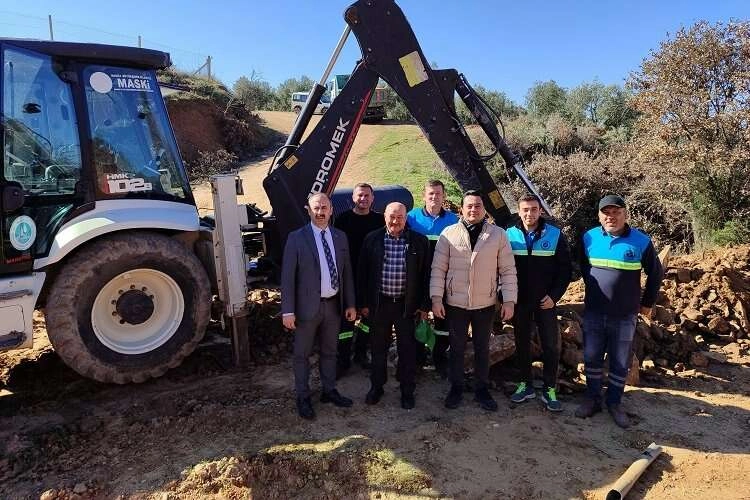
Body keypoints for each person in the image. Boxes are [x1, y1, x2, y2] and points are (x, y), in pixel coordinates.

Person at [575, 194, 663, 428]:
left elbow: (655, 273)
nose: (611, 217)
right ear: (599, 216)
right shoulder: (589, 237)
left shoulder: (641, 241)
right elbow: (584, 266)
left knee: (620, 361)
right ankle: (592, 399)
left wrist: (647, 303)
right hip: (594, 311)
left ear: (625, 214)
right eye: (606, 213)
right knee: (592, 357)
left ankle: (614, 402)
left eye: (616, 212)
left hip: (625, 314)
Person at [430, 190, 518, 411]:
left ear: (484, 209)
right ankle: (456, 387)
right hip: (455, 303)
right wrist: (436, 298)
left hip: (485, 303)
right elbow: (438, 269)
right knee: (456, 348)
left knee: (482, 348)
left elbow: (507, 270)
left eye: (478, 205)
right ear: (461, 209)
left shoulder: (498, 235)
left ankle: (482, 389)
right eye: (469, 206)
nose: (473, 210)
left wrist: (509, 301)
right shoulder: (448, 234)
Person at [281, 193, 357, 420]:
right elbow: (287, 277)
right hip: (306, 309)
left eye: (324, 207)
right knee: (302, 355)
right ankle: (303, 397)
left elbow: (346, 273)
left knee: (330, 352)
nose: (320, 212)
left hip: (333, 306)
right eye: (316, 207)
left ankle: (329, 390)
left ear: (331, 210)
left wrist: (350, 304)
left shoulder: (340, 237)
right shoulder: (296, 238)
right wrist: (288, 310)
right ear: (309, 210)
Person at [357, 202, 430, 409]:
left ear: (406, 218)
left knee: (407, 350)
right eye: (392, 216)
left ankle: (407, 390)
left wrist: (424, 305)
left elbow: (426, 275)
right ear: (384, 217)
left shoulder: (419, 242)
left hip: (407, 306)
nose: (395, 221)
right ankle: (376, 387)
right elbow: (362, 273)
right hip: (379, 304)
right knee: (378, 348)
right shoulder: (372, 239)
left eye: (400, 217)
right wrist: (363, 303)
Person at [506, 194, 572, 411]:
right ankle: (525, 384)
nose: (529, 214)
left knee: (550, 345)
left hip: (546, 302)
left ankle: (549, 388)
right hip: (520, 301)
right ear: (519, 211)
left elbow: (565, 270)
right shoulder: (509, 234)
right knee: (522, 343)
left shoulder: (554, 234)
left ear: (540, 211)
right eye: (525, 209)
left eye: (534, 209)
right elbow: (502, 268)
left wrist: (554, 296)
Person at [406, 179, 459, 376]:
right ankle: (417, 360)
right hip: (416, 279)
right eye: (431, 193)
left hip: (443, 279)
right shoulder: (411, 218)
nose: (434, 197)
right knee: (416, 319)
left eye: (438, 193)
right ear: (424, 196)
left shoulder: (453, 220)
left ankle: (440, 360)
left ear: (444, 196)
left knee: (442, 321)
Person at [333, 183, 385, 376]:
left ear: (372, 199)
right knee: (346, 321)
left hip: (372, 278)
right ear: (353, 198)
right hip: (348, 276)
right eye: (360, 195)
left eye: (366, 196)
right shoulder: (343, 219)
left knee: (368, 318)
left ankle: (361, 354)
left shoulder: (380, 220)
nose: (363, 199)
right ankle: (343, 359)